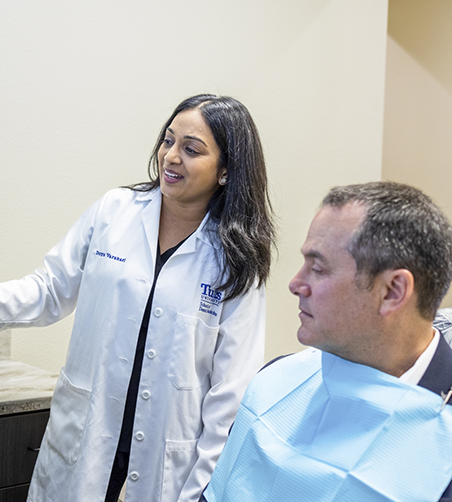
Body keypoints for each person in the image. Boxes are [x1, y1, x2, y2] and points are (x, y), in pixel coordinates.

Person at [0, 94, 276, 502]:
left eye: (191, 149)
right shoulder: (116, 211)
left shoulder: (236, 259)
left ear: (226, 170)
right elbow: (49, 289)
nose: (171, 157)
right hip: (85, 434)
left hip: (168, 457)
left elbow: (230, 391)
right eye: (168, 141)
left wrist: (202, 489)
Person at [202, 181, 452, 502]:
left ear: (392, 292)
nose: (295, 283)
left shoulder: (441, 438)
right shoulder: (277, 382)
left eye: (317, 268)